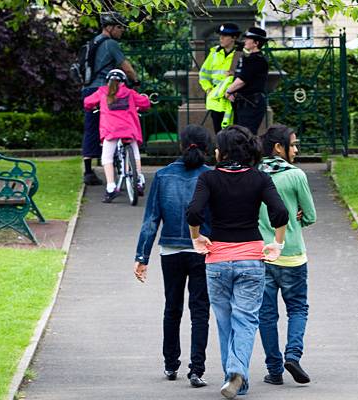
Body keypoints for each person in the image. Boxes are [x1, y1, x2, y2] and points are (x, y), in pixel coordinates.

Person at [186, 125, 289, 399]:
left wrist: (197, 238)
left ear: (221, 152)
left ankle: (233, 377)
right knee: (245, 319)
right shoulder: (260, 179)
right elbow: (280, 211)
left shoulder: (208, 179)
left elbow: (194, 211)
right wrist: (277, 243)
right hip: (251, 259)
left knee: (224, 321)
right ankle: (236, 373)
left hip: (217, 259)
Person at [133, 125, 212, 388]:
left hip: (171, 250)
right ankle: (197, 369)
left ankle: (170, 364)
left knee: (172, 308)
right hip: (202, 250)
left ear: (181, 145)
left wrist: (142, 256)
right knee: (200, 310)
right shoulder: (209, 176)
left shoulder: (163, 175)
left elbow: (151, 220)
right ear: (206, 146)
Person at [257, 125, 316, 386]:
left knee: (266, 314)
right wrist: (297, 219)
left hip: (262, 255)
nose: (296, 149)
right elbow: (311, 215)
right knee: (298, 308)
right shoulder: (295, 176)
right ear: (278, 148)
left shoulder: (255, 174)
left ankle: (274, 369)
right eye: (292, 145)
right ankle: (293, 354)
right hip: (292, 254)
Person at [81, 11, 140, 186]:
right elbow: (126, 67)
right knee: (115, 124)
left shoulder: (93, 42)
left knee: (91, 128)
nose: (122, 30)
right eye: (119, 27)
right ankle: (117, 167)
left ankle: (89, 170)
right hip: (105, 91)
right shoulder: (111, 44)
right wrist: (135, 81)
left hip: (88, 90)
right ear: (110, 27)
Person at [83, 69, 149, 203]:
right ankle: (139, 178)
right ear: (124, 81)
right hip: (128, 129)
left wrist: (94, 106)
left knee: (107, 157)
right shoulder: (130, 93)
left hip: (111, 130)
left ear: (108, 81)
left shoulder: (102, 92)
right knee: (135, 152)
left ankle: (111, 187)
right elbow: (145, 104)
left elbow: (87, 102)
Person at [225, 27, 269, 135]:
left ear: (256, 43)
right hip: (247, 102)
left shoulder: (256, 59)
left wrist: (228, 91)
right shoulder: (251, 58)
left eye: (248, 39)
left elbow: (242, 80)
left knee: (246, 135)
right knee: (241, 134)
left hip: (252, 103)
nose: (245, 41)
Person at [199, 23, 242, 133]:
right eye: (220, 35)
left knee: (234, 134)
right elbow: (203, 74)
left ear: (234, 38)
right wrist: (208, 89)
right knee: (219, 133)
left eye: (225, 35)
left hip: (233, 99)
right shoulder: (214, 53)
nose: (221, 38)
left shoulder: (241, 54)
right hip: (217, 101)